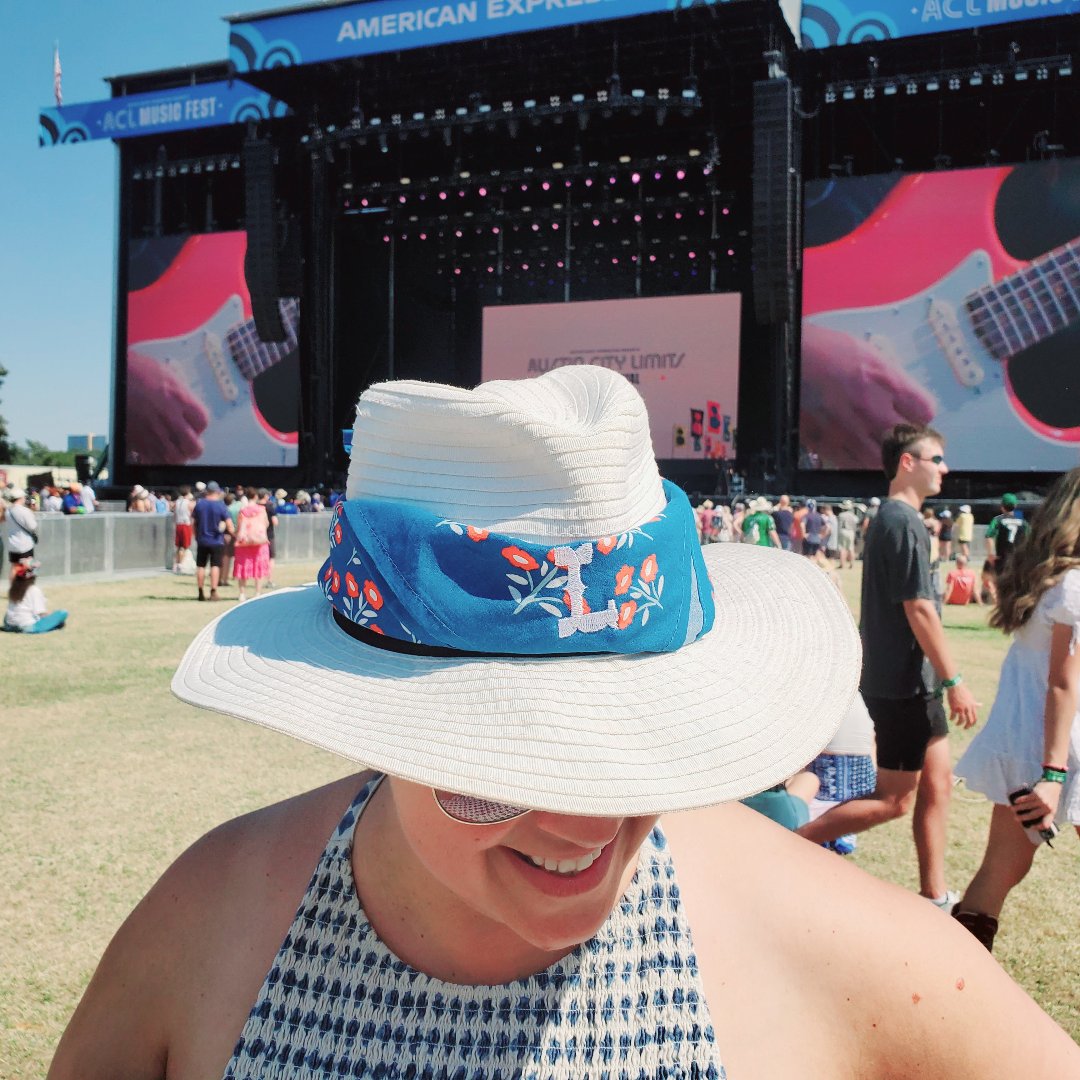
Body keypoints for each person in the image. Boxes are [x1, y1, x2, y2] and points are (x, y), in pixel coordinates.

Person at [48, 368, 1080, 1079]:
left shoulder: (849, 953)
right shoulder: (208, 917)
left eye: (633, 742)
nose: (586, 824)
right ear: (379, 721)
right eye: (497, 761)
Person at [797, 423, 979, 909]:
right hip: (902, 685)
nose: (945, 468)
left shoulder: (901, 519)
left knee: (938, 784)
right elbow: (918, 608)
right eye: (936, 458)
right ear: (909, 462)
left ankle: (934, 894)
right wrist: (955, 679)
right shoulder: (900, 521)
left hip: (913, 683)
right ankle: (791, 843)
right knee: (894, 800)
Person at [953, 469, 1080, 952]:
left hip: (1025, 745)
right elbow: (1063, 684)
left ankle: (955, 980)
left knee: (998, 874)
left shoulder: (1049, 581)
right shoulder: (1073, 587)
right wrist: (1052, 773)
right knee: (999, 873)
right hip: (1052, 751)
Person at [984, 493, 1031, 604]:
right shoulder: (1023, 522)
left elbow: (989, 536)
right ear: (1015, 506)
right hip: (1018, 558)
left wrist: (991, 554)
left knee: (1001, 582)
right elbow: (1029, 539)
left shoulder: (998, 520)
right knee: (1016, 582)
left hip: (1002, 557)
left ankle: (1001, 604)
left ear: (1002, 506)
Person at [192, 481, 233, 602]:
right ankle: (213, 591)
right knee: (215, 566)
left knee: (201, 566)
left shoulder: (199, 504)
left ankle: (200, 591)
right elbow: (229, 525)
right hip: (216, 541)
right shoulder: (221, 506)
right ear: (217, 492)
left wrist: (196, 535)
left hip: (202, 540)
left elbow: (194, 523)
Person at [3, 558, 67, 633]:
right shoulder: (34, 590)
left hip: (9, 625)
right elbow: (41, 614)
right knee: (63, 613)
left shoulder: (13, 588)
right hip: (27, 627)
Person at [233, 486, 271, 603]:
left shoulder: (242, 510)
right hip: (259, 542)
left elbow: (239, 527)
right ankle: (257, 592)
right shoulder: (261, 509)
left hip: (244, 543)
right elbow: (266, 524)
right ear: (255, 496)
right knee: (258, 567)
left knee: (243, 567)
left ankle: (242, 593)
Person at [5, 487, 38, 584]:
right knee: (28, 564)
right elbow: (33, 526)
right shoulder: (24, 511)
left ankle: (12, 590)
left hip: (13, 543)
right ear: (20, 498)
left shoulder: (8, 511)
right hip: (25, 543)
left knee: (14, 567)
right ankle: (27, 587)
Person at [173, 485, 195, 573]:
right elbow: (192, 515)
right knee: (184, 546)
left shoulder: (177, 502)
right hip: (186, 524)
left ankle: (177, 563)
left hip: (178, 524)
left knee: (178, 546)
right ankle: (181, 564)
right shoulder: (189, 503)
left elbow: (174, 514)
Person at [836, 499, 859, 570]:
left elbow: (839, 526)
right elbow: (856, 525)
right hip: (851, 532)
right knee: (851, 548)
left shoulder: (841, 515)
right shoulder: (854, 516)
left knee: (842, 548)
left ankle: (842, 564)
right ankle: (852, 564)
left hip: (843, 530)